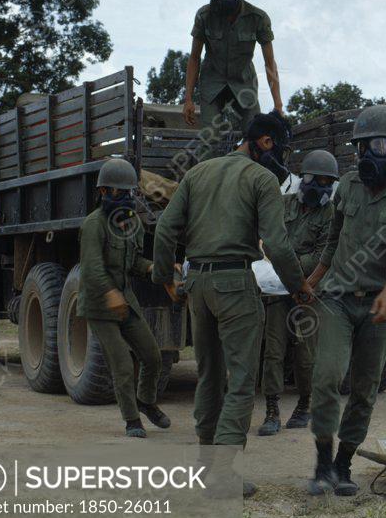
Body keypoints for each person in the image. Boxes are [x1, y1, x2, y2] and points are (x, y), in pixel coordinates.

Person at [152, 111, 312, 497]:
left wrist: (165, 279)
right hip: (236, 283)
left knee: (209, 377)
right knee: (241, 383)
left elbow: (164, 229)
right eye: (282, 149)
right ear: (266, 142)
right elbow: (275, 243)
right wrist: (299, 287)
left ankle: (207, 469)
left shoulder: (197, 173)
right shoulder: (261, 179)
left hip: (198, 283)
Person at [302, 105, 386, 496]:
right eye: (362, 147)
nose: (367, 156)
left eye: (376, 145)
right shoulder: (347, 187)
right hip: (337, 299)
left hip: (378, 304)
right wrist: (312, 280)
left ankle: (344, 465)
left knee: (364, 388)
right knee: (326, 378)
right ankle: (323, 464)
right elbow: (333, 240)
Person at [79, 157, 171, 438]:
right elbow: (92, 268)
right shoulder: (93, 225)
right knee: (121, 363)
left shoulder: (132, 225)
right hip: (99, 305)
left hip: (125, 301)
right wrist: (110, 294)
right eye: (120, 191)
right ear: (105, 192)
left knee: (153, 356)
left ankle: (146, 402)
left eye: (130, 191)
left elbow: (134, 263)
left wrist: (153, 267)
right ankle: (132, 420)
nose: (126, 197)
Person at [257, 150, 339, 436]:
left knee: (306, 355)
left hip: (308, 290)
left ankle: (305, 405)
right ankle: (271, 410)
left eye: (328, 183)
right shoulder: (283, 204)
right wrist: (287, 262)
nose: (322, 187)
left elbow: (321, 257)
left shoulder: (330, 214)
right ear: (304, 178)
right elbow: (266, 242)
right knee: (273, 351)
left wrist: (286, 262)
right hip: (277, 289)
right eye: (318, 180)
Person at [182, 0, 284, 161]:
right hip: (212, 84)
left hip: (243, 83)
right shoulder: (204, 15)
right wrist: (188, 99)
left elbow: (269, 63)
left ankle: (250, 183)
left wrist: (278, 105)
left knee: (257, 135)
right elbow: (194, 58)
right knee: (209, 140)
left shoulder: (258, 19)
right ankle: (206, 184)